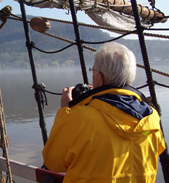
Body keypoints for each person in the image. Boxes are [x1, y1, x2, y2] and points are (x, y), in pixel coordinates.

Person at [42, 42, 165, 183]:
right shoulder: (151, 117)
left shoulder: (80, 117)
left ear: (99, 78)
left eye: (92, 71)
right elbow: (158, 150)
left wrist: (65, 111)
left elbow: (53, 162)